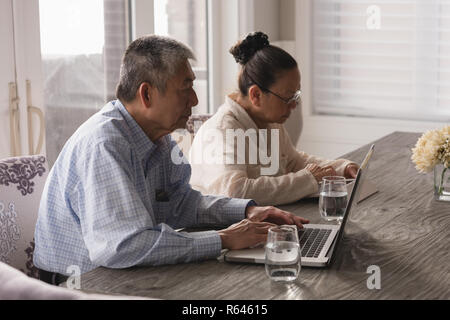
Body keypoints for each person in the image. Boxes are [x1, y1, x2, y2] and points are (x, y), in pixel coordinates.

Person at [33, 35, 309, 282]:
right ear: (147, 93)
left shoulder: (157, 137)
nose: (196, 99)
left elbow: (180, 203)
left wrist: (246, 211)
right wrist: (222, 239)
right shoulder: (105, 144)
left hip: (121, 273)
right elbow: (127, 246)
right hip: (78, 283)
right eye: (185, 87)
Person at [189, 32, 359, 205]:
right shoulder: (222, 131)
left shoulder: (269, 122)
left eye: (296, 96)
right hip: (224, 229)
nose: (294, 105)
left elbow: (293, 162)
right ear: (256, 95)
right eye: (288, 97)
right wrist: (308, 180)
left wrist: (340, 169)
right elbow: (236, 192)